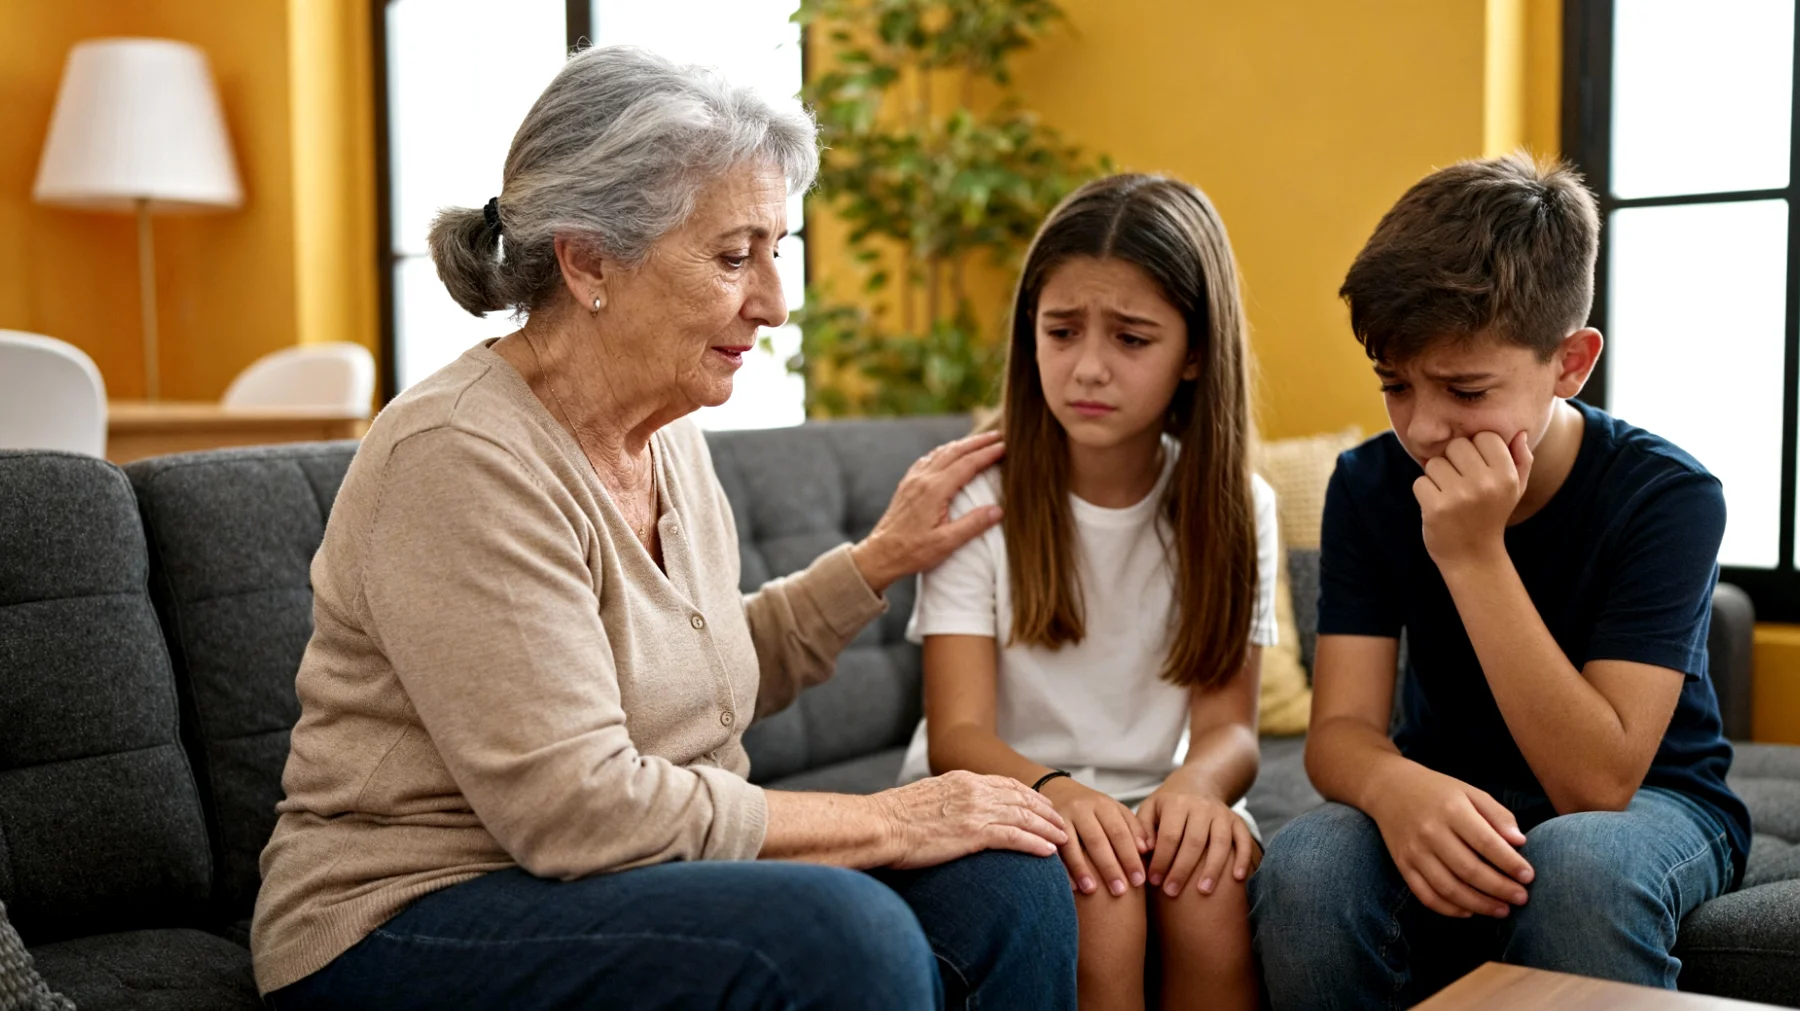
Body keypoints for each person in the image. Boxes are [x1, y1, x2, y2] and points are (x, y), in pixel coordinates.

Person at [252, 45, 1078, 1011]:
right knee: (837, 936)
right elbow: (579, 810)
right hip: (412, 915)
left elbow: (706, 680)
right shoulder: (460, 455)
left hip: (627, 878)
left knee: (1009, 881)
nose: (774, 303)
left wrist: (877, 561)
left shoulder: (666, 432)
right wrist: (887, 819)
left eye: (777, 252)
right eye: (735, 257)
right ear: (590, 257)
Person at [1249, 153, 1749, 1009]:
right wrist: (1394, 784)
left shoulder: (1669, 496)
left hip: (1654, 799)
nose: (1423, 426)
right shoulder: (1370, 486)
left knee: (1582, 862)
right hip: (1447, 782)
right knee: (1307, 868)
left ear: (1571, 362)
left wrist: (1473, 554)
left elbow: (1598, 785)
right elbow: (1339, 730)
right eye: (1394, 385)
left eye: (1466, 389)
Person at [899, 173, 1279, 1011]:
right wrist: (1062, 792)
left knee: (1207, 890)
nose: (1089, 367)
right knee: (1103, 900)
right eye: (1061, 331)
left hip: (1154, 794)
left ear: (1195, 353)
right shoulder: (977, 494)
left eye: (1133, 338)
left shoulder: (1237, 505)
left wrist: (1196, 788)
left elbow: (1231, 729)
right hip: (1011, 793)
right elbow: (958, 732)